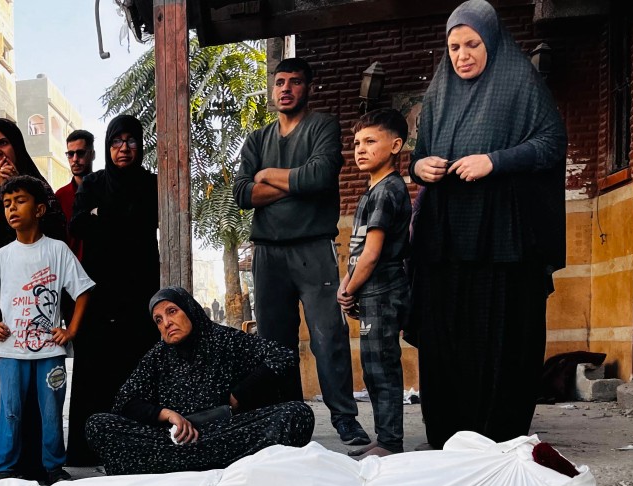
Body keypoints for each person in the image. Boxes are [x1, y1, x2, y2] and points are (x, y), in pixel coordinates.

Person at [409, 0, 566, 449]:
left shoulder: (519, 81)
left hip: (504, 243)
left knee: (500, 337)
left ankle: (499, 437)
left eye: (472, 44)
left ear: (491, 41)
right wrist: (421, 169)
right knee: (447, 339)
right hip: (447, 243)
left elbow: (552, 142)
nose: (462, 55)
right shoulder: (440, 92)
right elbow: (418, 154)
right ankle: (449, 437)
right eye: (454, 46)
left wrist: (494, 161)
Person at [233, 57, 370, 448]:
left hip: (313, 247)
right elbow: (243, 193)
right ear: (272, 89)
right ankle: (289, 417)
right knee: (276, 344)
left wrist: (268, 176)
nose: (286, 88)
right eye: (280, 82)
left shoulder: (322, 126)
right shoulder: (258, 139)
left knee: (329, 337)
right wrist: (295, 183)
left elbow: (321, 175)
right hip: (268, 254)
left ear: (308, 87)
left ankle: (345, 419)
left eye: (294, 82)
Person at [85, 287, 314, 476]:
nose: (166, 323)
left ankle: (173, 468)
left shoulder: (225, 340)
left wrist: (239, 395)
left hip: (224, 433)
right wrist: (167, 415)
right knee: (98, 424)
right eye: (158, 320)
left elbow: (283, 355)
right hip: (173, 440)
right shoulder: (158, 356)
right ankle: (214, 465)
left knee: (297, 414)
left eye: (172, 311)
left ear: (189, 309)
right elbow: (125, 401)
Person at [0, 119, 67, 473]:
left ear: (17, 147)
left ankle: (43, 462)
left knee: (41, 393)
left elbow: (56, 230)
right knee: (1, 393)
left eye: (3, 143)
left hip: (35, 308)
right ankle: (3, 464)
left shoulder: (38, 188)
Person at [0, 176, 94, 484]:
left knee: (51, 411)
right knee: (11, 410)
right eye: (7, 204)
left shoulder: (57, 251)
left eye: (20, 201)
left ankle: (54, 468)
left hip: (50, 351)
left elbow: (83, 291)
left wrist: (69, 331)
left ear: (40, 209)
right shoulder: (3, 256)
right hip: (11, 351)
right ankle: (3, 470)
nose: (12, 208)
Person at [66, 114, 160, 466]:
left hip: (140, 291)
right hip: (101, 292)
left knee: (137, 364)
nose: (124, 149)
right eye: (116, 142)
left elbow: (152, 219)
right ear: (107, 147)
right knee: (96, 368)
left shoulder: (151, 183)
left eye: (131, 141)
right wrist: (110, 217)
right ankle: (88, 448)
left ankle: (138, 444)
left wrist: (102, 216)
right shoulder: (93, 183)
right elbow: (77, 224)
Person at [337, 109, 412, 459]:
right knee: (373, 369)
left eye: (370, 141)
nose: (360, 149)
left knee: (382, 369)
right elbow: (358, 252)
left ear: (396, 145)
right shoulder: (373, 189)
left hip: (382, 293)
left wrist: (348, 288)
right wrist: (348, 284)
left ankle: (390, 443)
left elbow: (371, 254)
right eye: (356, 143)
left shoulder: (387, 191)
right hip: (369, 293)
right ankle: (383, 439)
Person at [55, 129, 95, 261]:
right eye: (70, 154)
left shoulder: (105, 189)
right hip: (72, 273)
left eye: (80, 153)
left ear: (92, 154)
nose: (75, 159)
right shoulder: (60, 196)